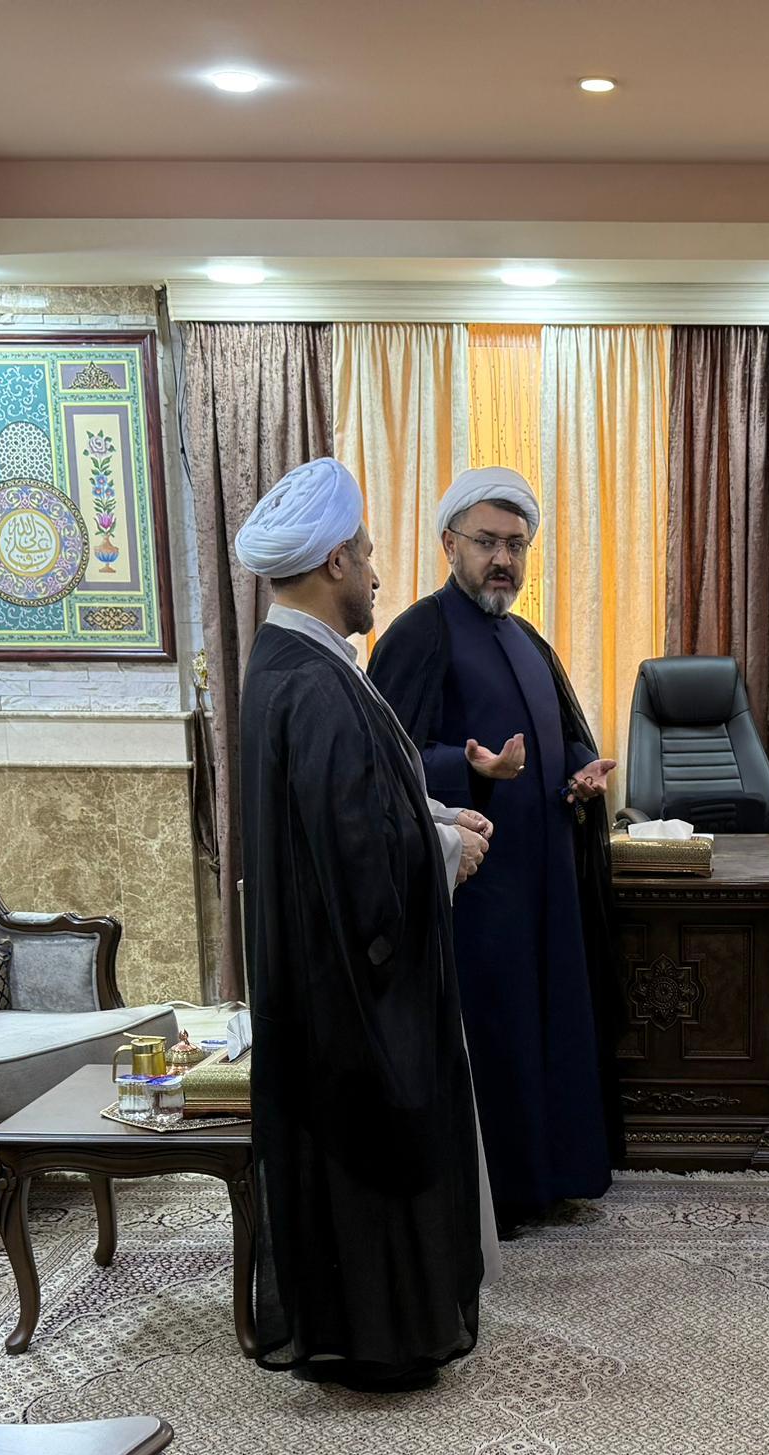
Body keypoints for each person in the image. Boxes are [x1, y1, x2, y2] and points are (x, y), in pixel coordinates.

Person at [237, 458, 501, 1392]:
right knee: (371, 1147)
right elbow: (359, 861)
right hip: (348, 984)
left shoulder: (293, 663)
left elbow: (358, 803)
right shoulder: (314, 684)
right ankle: (380, 1343)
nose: (380, 576)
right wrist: (446, 850)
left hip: (318, 971)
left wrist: (434, 815)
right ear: (336, 561)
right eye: (371, 556)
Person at [367, 468, 624, 1230]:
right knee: (495, 1036)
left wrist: (582, 770)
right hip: (473, 889)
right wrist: (469, 768)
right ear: (450, 545)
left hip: (545, 883)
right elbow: (385, 762)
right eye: (487, 543)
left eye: (516, 545)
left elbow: (562, 735)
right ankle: (499, 1197)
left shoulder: (526, 637)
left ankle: (553, 1179)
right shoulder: (420, 633)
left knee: (548, 1026)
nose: (503, 559)